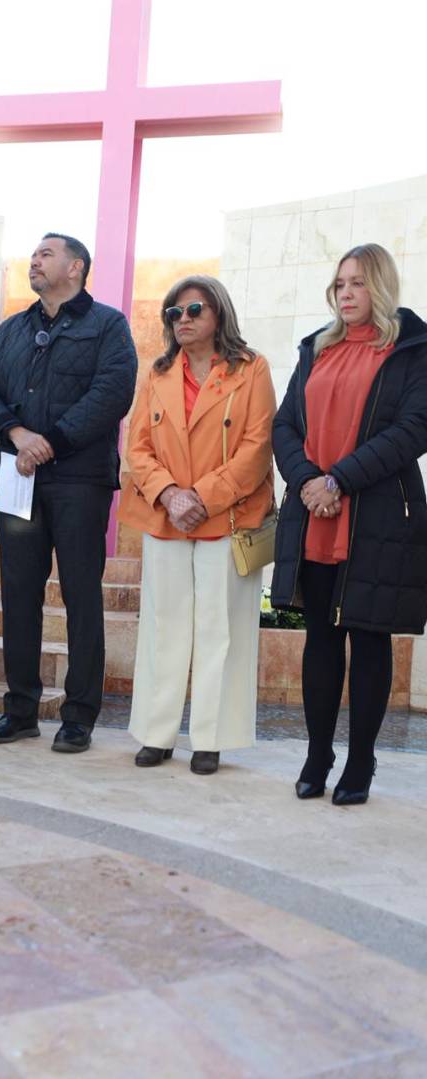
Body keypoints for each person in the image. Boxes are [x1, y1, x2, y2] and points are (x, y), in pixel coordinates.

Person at [0, 233, 138, 753]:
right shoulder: (13, 329)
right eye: (33, 255)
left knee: (81, 595)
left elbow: (113, 391)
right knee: (19, 594)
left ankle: (79, 716)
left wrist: (52, 443)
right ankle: (19, 710)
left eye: (45, 254)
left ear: (76, 266)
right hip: (20, 477)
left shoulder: (107, 324)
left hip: (78, 480)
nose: (34, 261)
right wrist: (16, 435)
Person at [272, 243, 427, 806]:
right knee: (320, 639)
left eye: (357, 283)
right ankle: (318, 754)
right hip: (316, 513)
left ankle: (360, 760)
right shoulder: (316, 349)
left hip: (377, 516)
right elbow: (285, 424)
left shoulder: (411, 350)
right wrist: (311, 481)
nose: (346, 293)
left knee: (369, 639)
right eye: (340, 283)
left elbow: (414, 430)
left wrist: (339, 480)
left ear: (380, 286)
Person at [119, 276, 275, 774]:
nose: (182, 319)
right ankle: (156, 733)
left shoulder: (252, 369)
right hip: (165, 517)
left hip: (228, 518)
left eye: (193, 310)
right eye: (173, 312)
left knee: (221, 630)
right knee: (164, 627)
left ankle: (212, 737)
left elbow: (257, 446)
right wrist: (169, 494)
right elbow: (137, 445)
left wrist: (202, 498)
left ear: (218, 315)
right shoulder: (157, 373)